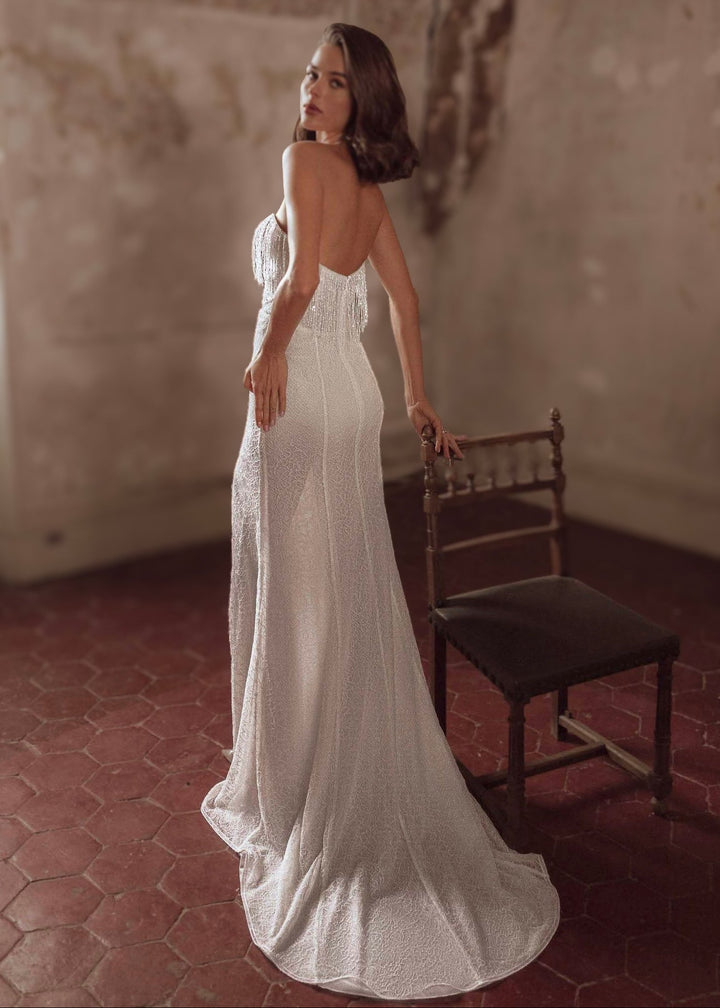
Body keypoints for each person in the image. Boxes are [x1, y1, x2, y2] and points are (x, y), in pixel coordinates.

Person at [201, 22, 559, 1001]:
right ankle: (327, 763)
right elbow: (402, 298)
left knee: (294, 585)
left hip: (300, 397)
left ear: (363, 102)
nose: (314, 90)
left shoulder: (304, 162)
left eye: (336, 81)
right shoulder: (363, 188)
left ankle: (299, 789)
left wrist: (271, 351)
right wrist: (414, 397)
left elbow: (304, 282)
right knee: (343, 583)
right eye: (312, 73)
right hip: (354, 400)